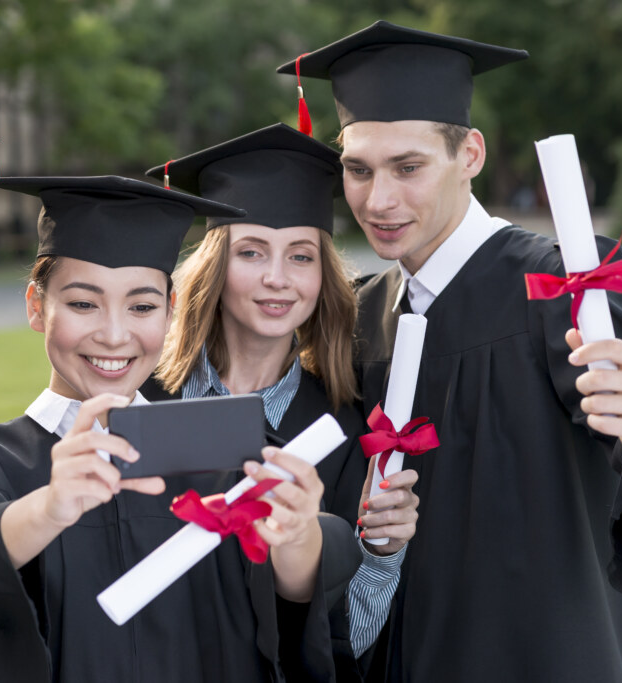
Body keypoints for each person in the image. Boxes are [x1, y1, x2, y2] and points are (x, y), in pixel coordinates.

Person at [277, 20, 622, 683]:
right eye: (357, 169)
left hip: (553, 658)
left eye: (408, 167)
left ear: (471, 155)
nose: (380, 199)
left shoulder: (570, 282)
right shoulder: (357, 319)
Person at [0, 175, 363, 682]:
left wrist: (297, 535)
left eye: (142, 306)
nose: (115, 334)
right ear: (37, 307)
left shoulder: (229, 453)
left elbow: (300, 595)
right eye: (82, 303)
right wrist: (50, 507)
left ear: (169, 312)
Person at [140, 122, 419, 675]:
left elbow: (349, 637)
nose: (277, 279)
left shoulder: (342, 433)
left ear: (322, 274)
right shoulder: (144, 403)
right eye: (251, 252)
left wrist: (383, 552)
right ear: (215, 264)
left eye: (300, 256)